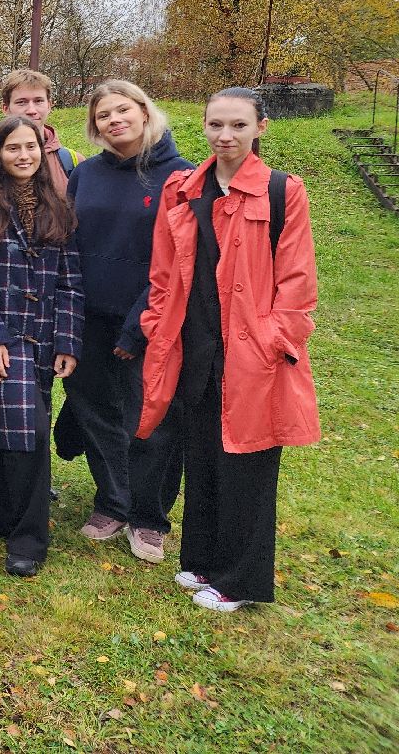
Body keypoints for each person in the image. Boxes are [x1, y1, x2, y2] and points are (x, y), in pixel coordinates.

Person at [137, 88, 318, 612]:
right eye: (216, 125)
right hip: (195, 344)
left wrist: (274, 341)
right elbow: (164, 270)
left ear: (260, 127)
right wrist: (157, 323)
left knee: (248, 465)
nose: (225, 136)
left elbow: (298, 282)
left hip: (254, 354)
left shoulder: (283, 192)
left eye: (238, 125)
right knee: (203, 454)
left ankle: (241, 580)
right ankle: (200, 560)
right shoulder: (184, 190)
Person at [62, 80, 192, 562]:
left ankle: (149, 516)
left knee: (151, 419)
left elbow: (177, 261)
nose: (113, 120)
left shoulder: (180, 177)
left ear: (144, 111)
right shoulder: (87, 175)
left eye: (123, 110)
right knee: (95, 412)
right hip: (87, 317)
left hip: (150, 321)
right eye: (103, 115)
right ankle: (112, 501)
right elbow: (69, 242)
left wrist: (138, 326)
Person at [0, 116, 82, 577]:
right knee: (30, 433)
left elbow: (71, 281)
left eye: (30, 147)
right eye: (12, 148)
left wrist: (68, 342)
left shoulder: (58, 204)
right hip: (0, 336)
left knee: (21, 429)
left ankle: (2, 514)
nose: (23, 155)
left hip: (43, 338)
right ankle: (30, 539)